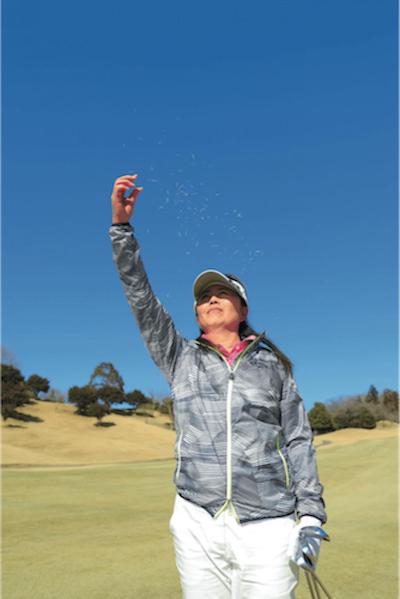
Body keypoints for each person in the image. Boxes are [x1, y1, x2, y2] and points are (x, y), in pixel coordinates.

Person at [109, 174, 328, 599]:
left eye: (221, 293)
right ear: (196, 314)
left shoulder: (274, 366)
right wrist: (121, 228)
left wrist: (310, 518)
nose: (210, 298)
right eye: (203, 296)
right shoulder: (179, 356)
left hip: (267, 523)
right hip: (197, 519)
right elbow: (140, 297)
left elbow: (298, 440)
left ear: (242, 309)